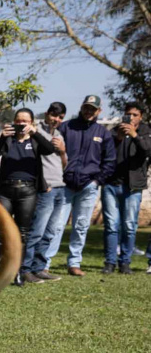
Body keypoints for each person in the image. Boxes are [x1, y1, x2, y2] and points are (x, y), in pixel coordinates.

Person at [0, 108, 56, 285]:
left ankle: (18, 272)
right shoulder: (8, 139)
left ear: (31, 123)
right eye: (18, 121)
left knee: (22, 234)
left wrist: (35, 133)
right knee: (1, 231)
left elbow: (50, 149)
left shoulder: (35, 140)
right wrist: (2, 137)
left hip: (27, 192)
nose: (20, 124)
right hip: (5, 189)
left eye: (25, 121)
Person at [57, 95, 116, 277]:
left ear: (99, 111)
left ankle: (74, 263)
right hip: (65, 184)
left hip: (88, 186)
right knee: (57, 225)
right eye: (86, 107)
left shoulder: (103, 133)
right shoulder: (66, 127)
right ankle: (44, 261)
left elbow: (110, 161)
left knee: (81, 226)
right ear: (81, 107)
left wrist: (96, 181)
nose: (89, 111)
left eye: (93, 108)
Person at [100, 102, 151, 274]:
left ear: (141, 116)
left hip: (133, 186)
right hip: (111, 184)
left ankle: (125, 263)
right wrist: (119, 138)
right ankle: (109, 262)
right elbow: (104, 153)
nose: (131, 118)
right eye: (128, 114)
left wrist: (135, 135)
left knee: (129, 226)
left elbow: (147, 151)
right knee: (111, 226)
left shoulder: (146, 131)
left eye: (135, 115)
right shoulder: (114, 131)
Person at [23, 102, 69, 282]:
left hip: (60, 187)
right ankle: (25, 269)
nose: (56, 119)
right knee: (37, 230)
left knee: (51, 232)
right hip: (46, 188)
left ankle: (39, 267)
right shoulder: (36, 131)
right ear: (47, 114)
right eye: (54, 115)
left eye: (60, 117)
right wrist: (42, 184)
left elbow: (64, 164)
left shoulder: (59, 135)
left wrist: (63, 151)